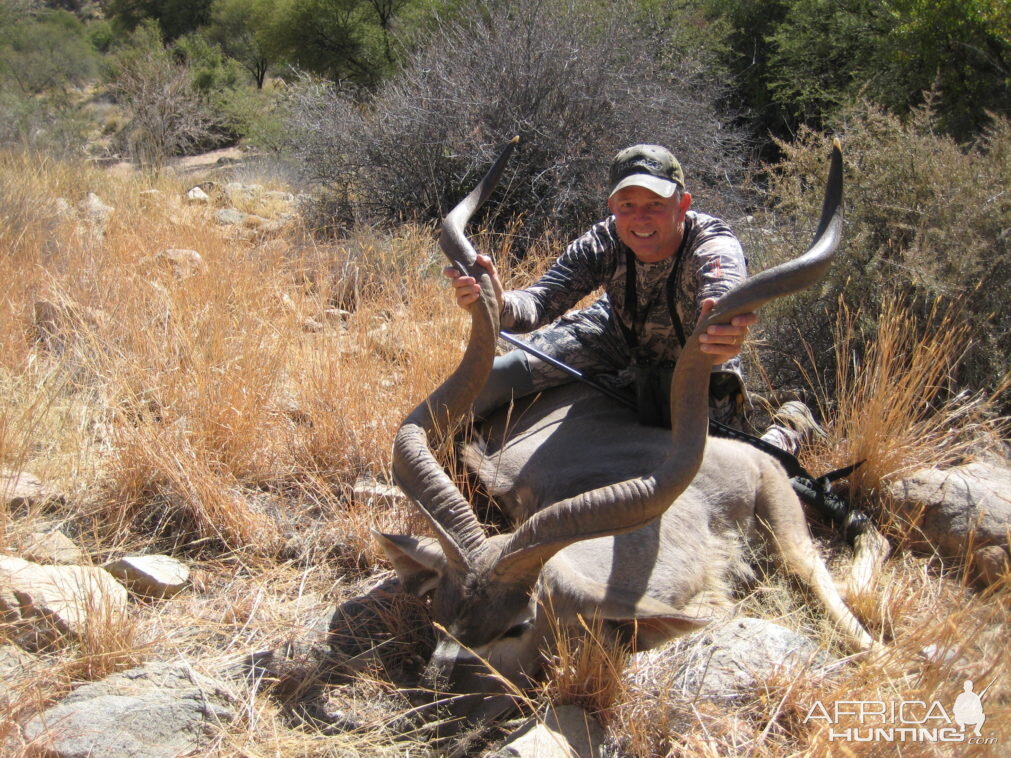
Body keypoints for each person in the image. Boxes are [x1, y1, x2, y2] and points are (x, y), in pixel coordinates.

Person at [446, 143, 814, 450]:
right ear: (613, 207)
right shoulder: (604, 239)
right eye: (627, 205)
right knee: (495, 378)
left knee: (734, 458)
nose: (640, 219)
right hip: (615, 335)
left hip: (693, 361)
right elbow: (536, 305)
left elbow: (723, 298)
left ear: (683, 204)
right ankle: (441, 457)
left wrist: (724, 331)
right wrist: (495, 298)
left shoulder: (713, 244)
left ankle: (794, 421)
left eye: (655, 203)